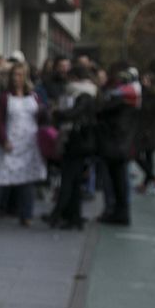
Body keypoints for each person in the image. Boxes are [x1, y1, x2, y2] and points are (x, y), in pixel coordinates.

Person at [0, 59, 48, 227]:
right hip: (10, 141)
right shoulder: (4, 97)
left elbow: (41, 117)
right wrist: (3, 139)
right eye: (14, 75)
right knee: (1, 177)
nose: (17, 78)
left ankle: (26, 214)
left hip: (29, 142)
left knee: (27, 180)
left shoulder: (34, 96)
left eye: (20, 75)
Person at [46, 62, 100, 230]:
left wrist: (57, 113)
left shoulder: (83, 95)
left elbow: (73, 114)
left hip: (77, 142)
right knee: (74, 181)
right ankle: (73, 216)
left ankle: (59, 213)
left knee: (69, 179)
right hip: (80, 142)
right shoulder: (88, 93)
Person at [96, 64, 142, 226]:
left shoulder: (118, 101)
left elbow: (104, 115)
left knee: (116, 181)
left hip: (114, 146)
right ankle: (120, 212)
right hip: (121, 146)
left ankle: (118, 212)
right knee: (119, 181)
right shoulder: (130, 102)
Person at [134, 70, 155, 196]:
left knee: (148, 157)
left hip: (149, 133)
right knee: (137, 155)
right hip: (140, 131)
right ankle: (153, 180)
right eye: (142, 79)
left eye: (146, 80)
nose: (143, 81)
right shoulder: (140, 94)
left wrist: (148, 130)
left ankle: (150, 182)